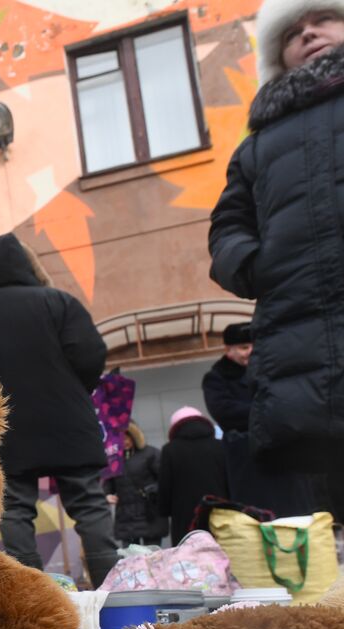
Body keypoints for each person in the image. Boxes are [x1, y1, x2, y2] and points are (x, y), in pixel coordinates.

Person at [209, 2, 344, 513]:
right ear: (279, 56)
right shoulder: (257, 146)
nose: (308, 33)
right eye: (292, 32)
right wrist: (258, 267)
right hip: (302, 344)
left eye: (322, 19)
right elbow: (227, 227)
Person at [0, 233, 120, 586]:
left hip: (8, 431)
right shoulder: (59, 303)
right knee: (89, 503)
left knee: (14, 509)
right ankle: (110, 589)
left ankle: (32, 594)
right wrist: (72, 391)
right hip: (67, 421)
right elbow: (90, 355)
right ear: (27, 265)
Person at [201, 322, 319, 518]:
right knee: (260, 518)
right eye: (244, 348)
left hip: (285, 455)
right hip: (248, 458)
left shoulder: (272, 369)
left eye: (253, 346)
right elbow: (224, 412)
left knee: (297, 514)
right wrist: (271, 410)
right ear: (228, 350)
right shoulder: (216, 378)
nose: (250, 352)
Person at [158, 407, 230, 544]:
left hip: (184, 516)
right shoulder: (220, 446)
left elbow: (165, 486)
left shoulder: (170, 450)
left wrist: (164, 510)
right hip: (219, 513)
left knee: (190, 558)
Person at [104, 422, 168, 548]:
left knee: (153, 558)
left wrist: (153, 489)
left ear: (135, 436)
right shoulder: (113, 459)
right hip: (126, 517)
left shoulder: (151, 454)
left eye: (127, 437)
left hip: (150, 513)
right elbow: (108, 484)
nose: (124, 441)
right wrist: (107, 495)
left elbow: (165, 480)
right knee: (132, 560)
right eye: (120, 438)